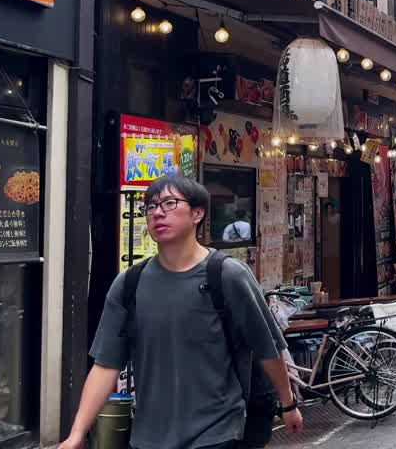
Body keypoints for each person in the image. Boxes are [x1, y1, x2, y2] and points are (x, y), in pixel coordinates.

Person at [61, 175, 302, 449]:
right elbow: (106, 365)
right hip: (148, 437)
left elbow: (266, 348)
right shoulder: (129, 284)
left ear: (197, 214)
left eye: (169, 203)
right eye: (150, 207)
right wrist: (77, 432)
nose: (158, 213)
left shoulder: (226, 275)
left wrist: (288, 404)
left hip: (218, 433)